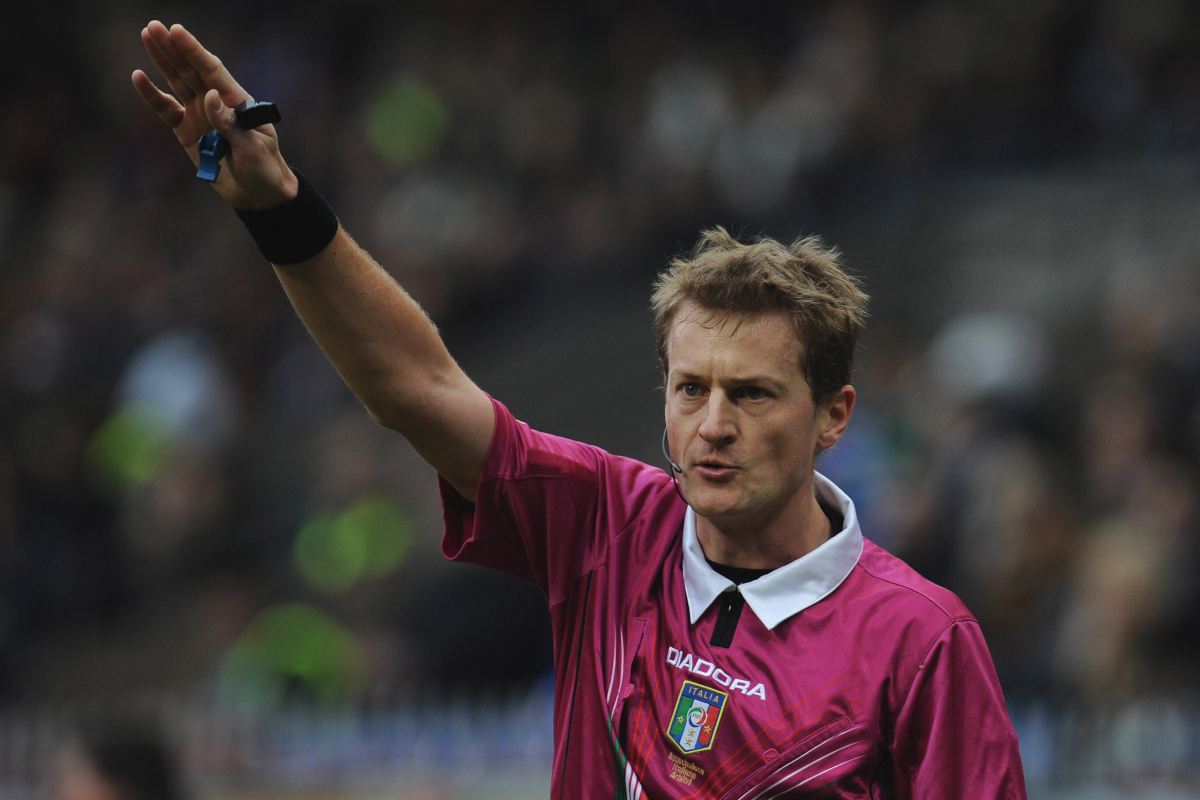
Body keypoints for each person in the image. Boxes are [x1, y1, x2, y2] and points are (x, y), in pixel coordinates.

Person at [132, 21, 1027, 798]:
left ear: (834, 416)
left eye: (751, 393)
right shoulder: (609, 526)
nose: (713, 423)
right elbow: (417, 389)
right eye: (691, 389)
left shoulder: (923, 643)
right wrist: (283, 212)